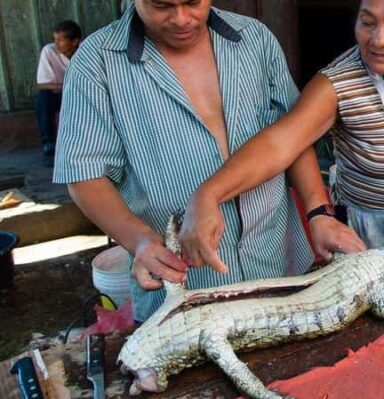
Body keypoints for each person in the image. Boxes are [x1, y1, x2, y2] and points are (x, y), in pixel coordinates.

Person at [53, 0, 364, 321]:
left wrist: (318, 212)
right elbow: (84, 174)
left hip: (278, 266)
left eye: (192, 2)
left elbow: (293, 135)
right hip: (184, 290)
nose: (182, 18)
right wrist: (141, 241)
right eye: (162, 6)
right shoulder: (96, 63)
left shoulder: (254, 38)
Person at [179, 0, 384, 262]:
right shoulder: (338, 85)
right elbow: (281, 143)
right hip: (378, 249)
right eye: (367, 22)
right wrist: (209, 194)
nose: (378, 40)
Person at [35, 20, 81, 167]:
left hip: (80, 94)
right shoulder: (49, 51)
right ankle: (49, 147)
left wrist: (68, 87)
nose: (56, 43)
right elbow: (42, 84)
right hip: (59, 94)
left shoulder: (86, 51)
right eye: (55, 39)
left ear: (74, 41)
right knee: (43, 100)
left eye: (60, 40)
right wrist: (68, 86)